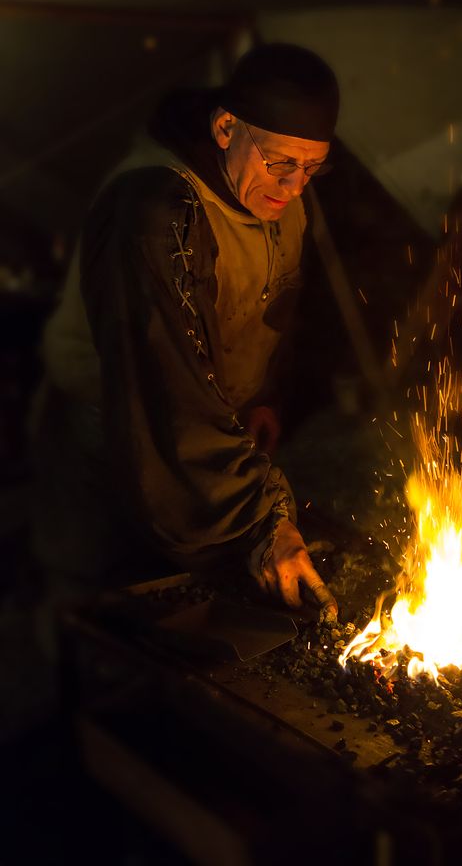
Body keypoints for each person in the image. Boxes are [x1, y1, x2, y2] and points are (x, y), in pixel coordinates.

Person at [32, 42, 339, 624]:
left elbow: (273, 304)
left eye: (312, 168)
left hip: (202, 433)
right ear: (227, 128)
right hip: (113, 432)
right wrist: (258, 518)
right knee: (95, 606)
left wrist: (264, 392)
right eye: (281, 164)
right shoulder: (156, 210)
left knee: (175, 608)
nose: (297, 186)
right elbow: (165, 382)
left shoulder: (283, 195)